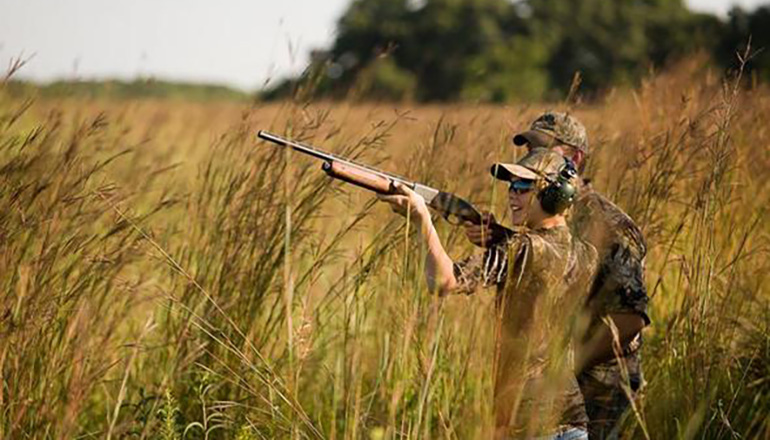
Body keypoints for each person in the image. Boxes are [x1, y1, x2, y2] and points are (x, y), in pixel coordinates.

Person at [379, 148, 595, 439]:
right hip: (572, 420)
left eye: (523, 187)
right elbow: (547, 255)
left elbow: (444, 281)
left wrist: (422, 219)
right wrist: (499, 236)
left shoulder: (521, 249)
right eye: (510, 186)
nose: (512, 194)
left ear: (554, 194)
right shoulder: (586, 253)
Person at [465, 112, 650, 439]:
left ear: (576, 159)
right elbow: (546, 261)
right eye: (528, 149)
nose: (532, 158)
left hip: (598, 389)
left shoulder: (610, 226)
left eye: (545, 148)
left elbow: (630, 320)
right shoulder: (540, 215)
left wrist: (560, 370)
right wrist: (500, 240)